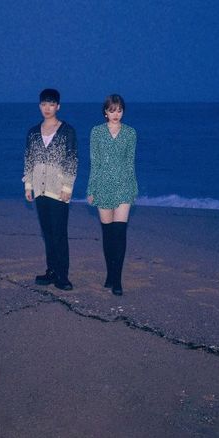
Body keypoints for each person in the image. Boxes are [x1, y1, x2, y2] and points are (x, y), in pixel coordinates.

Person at [23, 88, 78, 291]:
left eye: (51, 104)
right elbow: (29, 159)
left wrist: (67, 187)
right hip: (39, 190)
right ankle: (51, 271)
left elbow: (72, 160)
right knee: (47, 232)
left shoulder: (67, 131)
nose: (47, 108)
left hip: (58, 190)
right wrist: (28, 185)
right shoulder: (32, 132)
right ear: (40, 106)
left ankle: (62, 275)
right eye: (44, 104)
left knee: (59, 233)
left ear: (58, 106)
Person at [87, 94, 138, 296]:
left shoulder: (131, 133)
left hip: (124, 186)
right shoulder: (96, 132)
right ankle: (110, 273)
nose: (115, 114)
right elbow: (95, 162)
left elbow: (130, 162)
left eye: (119, 110)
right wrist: (91, 190)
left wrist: (133, 188)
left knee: (120, 233)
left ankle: (117, 279)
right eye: (112, 110)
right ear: (105, 112)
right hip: (103, 186)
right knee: (108, 235)